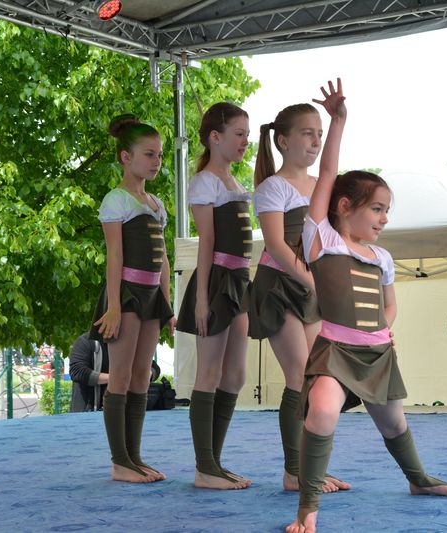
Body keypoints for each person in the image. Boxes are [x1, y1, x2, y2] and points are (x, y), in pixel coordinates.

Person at [286, 79, 447, 533]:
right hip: (335, 353)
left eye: (387, 210)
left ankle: (419, 479)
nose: (384, 218)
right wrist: (338, 120)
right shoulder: (322, 240)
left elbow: (390, 306)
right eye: (377, 209)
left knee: (394, 425)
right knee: (322, 411)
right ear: (345, 206)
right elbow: (328, 173)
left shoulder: (382, 257)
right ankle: (308, 508)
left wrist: (382, 332)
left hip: (378, 354)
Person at [249, 103, 350, 494]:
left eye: (319, 134)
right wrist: (312, 281)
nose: (315, 141)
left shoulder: (321, 184)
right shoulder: (272, 187)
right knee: (298, 376)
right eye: (308, 133)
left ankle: (311, 467)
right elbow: (275, 244)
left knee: (318, 379)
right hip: (279, 285)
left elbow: (330, 168)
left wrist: (339, 121)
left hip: (309, 286)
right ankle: (295, 473)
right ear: (282, 141)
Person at [90, 114, 176, 483]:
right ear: (126, 157)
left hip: (152, 297)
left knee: (143, 374)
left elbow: (164, 259)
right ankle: (119, 461)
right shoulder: (117, 200)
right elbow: (115, 256)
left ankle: (135, 456)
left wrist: (168, 304)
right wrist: (113, 306)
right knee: (121, 375)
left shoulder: (156, 203)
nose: (157, 161)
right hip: (126, 295)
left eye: (160, 154)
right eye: (149, 154)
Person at [176, 102, 253, 490]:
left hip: (239, 280)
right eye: (239, 134)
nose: (245, 141)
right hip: (217, 280)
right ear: (215, 137)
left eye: (247, 134)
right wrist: (202, 298)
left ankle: (215, 463)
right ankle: (205, 468)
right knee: (208, 373)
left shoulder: (233, 180)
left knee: (235, 375)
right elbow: (206, 242)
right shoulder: (205, 182)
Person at [68, 333, 109, 412]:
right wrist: (114, 379)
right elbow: (77, 371)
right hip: (85, 414)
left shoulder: (127, 345)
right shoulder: (85, 341)